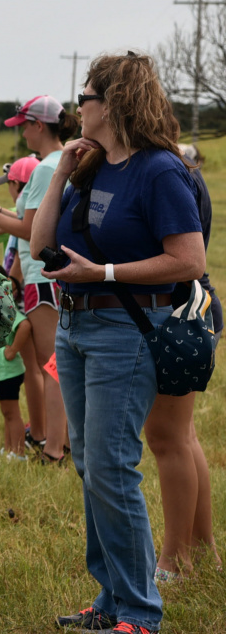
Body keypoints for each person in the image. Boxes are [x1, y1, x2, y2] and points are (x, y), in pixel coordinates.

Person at [31, 51, 205, 634]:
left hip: (126, 331)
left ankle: (139, 612)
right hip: (79, 327)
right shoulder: (90, 165)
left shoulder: (159, 170)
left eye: (85, 96)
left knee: (110, 464)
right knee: (90, 464)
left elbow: (189, 259)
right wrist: (59, 171)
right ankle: (109, 601)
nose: (78, 106)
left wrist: (102, 275)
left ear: (112, 102)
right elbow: (39, 247)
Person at [142, 142, 221, 581]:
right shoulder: (181, 164)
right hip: (197, 307)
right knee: (182, 436)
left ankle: (176, 561)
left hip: (180, 312)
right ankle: (201, 548)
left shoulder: (164, 171)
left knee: (167, 437)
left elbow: (186, 256)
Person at [0, 95, 80, 464]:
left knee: (52, 365)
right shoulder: (62, 161)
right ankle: (66, 441)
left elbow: (29, 229)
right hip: (55, 277)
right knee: (59, 363)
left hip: (42, 278)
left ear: (38, 126)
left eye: (24, 125)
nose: (22, 132)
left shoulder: (45, 169)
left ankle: (55, 449)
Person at [0, 309, 32, 460]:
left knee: (12, 414)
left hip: (8, 371)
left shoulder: (5, 307)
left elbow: (25, 325)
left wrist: (13, 350)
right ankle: (9, 449)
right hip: (2, 371)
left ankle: (19, 453)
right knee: (7, 413)